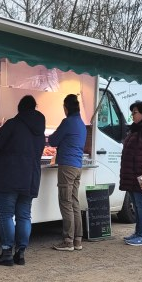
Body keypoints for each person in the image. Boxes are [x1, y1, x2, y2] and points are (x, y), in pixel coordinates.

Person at [0, 95, 46, 266]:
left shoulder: (13, 124)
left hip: (9, 176)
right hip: (31, 177)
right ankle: (20, 254)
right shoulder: (40, 129)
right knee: (24, 215)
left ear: (19, 108)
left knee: (6, 215)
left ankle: (7, 252)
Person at [48, 94, 87, 251]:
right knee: (74, 202)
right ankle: (77, 240)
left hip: (67, 167)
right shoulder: (81, 124)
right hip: (77, 166)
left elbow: (52, 140)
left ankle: (68, 241)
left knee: (65, 202)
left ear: (66, 107)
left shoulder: (68, 122)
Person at [119, 101, 142, 246]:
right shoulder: (136, 129)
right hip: (132, 174)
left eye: (135, 112)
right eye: (132, 112)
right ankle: (138, 233)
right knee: (136, 206)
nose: (132, 115)